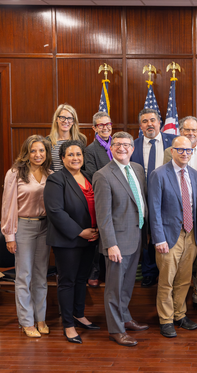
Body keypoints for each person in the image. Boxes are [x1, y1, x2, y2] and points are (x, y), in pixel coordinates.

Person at [93, 132, 149, 347]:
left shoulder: (137, 169)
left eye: (126, 144)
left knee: (126, 285)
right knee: (114, 289)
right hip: (117, 243)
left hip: (136, 237)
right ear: (111, 148)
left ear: (132, 148)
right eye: (117, 144)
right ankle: (116, 330)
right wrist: (110, 244)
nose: (122, 148)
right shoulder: (103, 175)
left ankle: (125, 318)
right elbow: (103, 215)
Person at [44, 140, 100, 344]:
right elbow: (55, 212)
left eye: (78, 154)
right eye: (70, 154)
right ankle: (68, 324)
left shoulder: (89, 176)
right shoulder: (56, 180)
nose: (75, 158)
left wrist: (96, 231)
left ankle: (79, 315)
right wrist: (79, 232)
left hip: (91, 238)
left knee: (81, 279)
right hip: (68, 240)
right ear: (62, 158)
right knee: (67, 281)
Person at [1, 135, 53, 338]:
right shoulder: (15, 174)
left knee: (41, 276)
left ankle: (40, 318)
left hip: (45, 227)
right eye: (33, 151)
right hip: (23, 227)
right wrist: (9, 236)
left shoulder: (51, 173)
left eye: (41, 150)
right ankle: (26, 321)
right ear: (26, 153)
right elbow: (8, 206)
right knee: (24, 276)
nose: (38, 154)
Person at [149, 136, 197, 338]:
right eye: (180, 150)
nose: (185, 154)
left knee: (183, 280)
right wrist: (158, 238)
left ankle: (180, 315)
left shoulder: (194, 174)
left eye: (188, 151)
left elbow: (196, 207)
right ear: (172, 151)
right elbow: (154, 209)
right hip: (169, 236)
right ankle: (166, 319)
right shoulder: (159, 174)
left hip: (191, 235)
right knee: (167, 281)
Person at [164, 116, 197, 315]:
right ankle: (175, 309)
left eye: (194, 131)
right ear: (179, 132)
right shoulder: (170, 152)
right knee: (178, 268)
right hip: (179, 219)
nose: (191, 134)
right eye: (186, 130)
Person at [131, 108, 177, 288]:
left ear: (160, 123)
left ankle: (167, 271)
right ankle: (150, 271)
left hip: (169, 196)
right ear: (140, 125)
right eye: (145, 121)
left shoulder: (173, 142)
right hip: (142, 196)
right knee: (147, 234)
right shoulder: (133, 145)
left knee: (165, 231)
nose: (149, 124)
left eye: (152, 120)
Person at [84, 111, 113, 288]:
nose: (105, 128)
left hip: (119, 197)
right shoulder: (90, 150)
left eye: (107, 124)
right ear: (94, 128)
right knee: (99, 235)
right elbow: (91, 174)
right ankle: (95, 271)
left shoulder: (117, 144)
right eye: (100, 125)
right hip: (100, 196)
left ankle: (109, 270)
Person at [47, 104, 87, 172]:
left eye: (69, 118)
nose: (66, 121)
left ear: (73, 121)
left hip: (75, 180)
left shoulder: (81, 139)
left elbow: (83, 165)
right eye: (62, 117)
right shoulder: (47, 141)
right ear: (56, 119)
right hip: (55, 180)